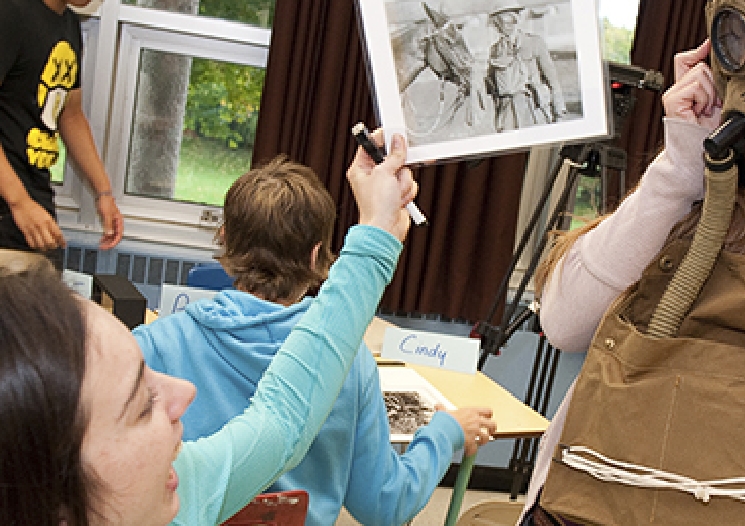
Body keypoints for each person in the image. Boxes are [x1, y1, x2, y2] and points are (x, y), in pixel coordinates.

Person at [518, 1, 745, 524]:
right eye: (743, 36)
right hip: (578, 506)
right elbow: (563, 321)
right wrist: (679, 168)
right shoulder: (709, 165)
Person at [0, 131, 419, 525]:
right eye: (142, 402)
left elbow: (283, 417)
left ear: (225, 237)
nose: (185, 392)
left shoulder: (180, 482)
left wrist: (377, 232)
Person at [132, 155, 497, 526]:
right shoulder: (349, 365)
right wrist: (445, 432)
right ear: (316, 255)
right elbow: (385, 504)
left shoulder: (151, 346)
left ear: (225, 239)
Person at [0, 0, 124, 269]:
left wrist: (103, 192)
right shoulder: (10, 12)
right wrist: (19, 203)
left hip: (33, 192)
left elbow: (71, 114)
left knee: (46, 302)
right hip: (9, 196)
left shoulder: (68, 25)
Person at [486, 0, 566, 132]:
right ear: (496, 23)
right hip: (507, 115)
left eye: (511, 19)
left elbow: (552, 78)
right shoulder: (494, 50)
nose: (507, 25)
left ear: (517, 18)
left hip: (534, 110)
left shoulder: (535, 42)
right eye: (501, 21)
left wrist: (559, 109)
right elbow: (491, 85)